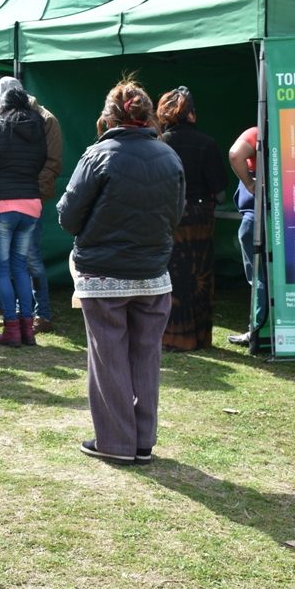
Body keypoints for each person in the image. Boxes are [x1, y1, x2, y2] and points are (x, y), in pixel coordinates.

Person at [58, 79, 184, 465]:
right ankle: (143, 441)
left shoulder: (98, 155)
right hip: (153, 274)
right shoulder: (170, 157)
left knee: (109, 357)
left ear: (110, 115)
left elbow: (67, 216)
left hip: (103, 274)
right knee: (146, 357)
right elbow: (175, 215)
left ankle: (114, 441)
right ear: (147, 115)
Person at [0, 86, 47, 347]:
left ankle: (12, 329)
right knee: (20, 267)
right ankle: (28, 329)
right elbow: (41, 162)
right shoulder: (38, 127)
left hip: (1, 203)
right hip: (31, 203)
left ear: (3, 105)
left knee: (1, 270)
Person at [0, 77, 63, 334]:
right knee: (12, 260)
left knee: (30, 259)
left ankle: (42, 312)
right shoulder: (8, 121)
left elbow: (52, 163)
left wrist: (31, 189)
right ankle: (18, 313)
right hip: (10, 197)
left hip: (30, 198)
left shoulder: (45, 119)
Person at [156, 86, 225, 351]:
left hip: (169, 215)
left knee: (172, 273)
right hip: (200, 216)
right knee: (200, 275)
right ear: (192, 115)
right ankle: (200, 338)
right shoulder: (207, 143)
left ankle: (173, 337)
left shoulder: (159, 144)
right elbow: (219, 192)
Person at [227, 126, 266, 345]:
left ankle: (258, 329)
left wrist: (250, 183)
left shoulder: (257, 132)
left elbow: (235, 154)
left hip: (256, 217)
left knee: (259, 276)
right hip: (289, 219)